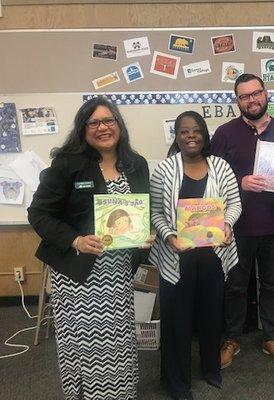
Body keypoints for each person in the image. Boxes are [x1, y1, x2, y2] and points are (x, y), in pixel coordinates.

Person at [27, 96, 150, 399]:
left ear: (118, 124)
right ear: (83, 129)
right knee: (87, 345)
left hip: (118, 274)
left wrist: (144, 235)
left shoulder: (136, 164)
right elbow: (38, 214)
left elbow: (143, 209)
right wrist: (75, 240)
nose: (103, 127)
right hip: (78, 275)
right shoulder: (68, 165)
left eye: (109, 120)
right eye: (93, 122)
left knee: (118, 342)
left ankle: (119, 393)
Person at [211, 73, 274, 368]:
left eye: (256, 93)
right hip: (236, 228)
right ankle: (232, 339)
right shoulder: (225, 134)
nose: (251, 100)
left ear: (266, 94)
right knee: (236, 286)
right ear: (237, 101)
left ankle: (270, 337)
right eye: (244, 96)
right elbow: (212, 179)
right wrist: (241, 182)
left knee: (272, 285)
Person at [149, 111, 242, 400]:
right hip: (176, 259)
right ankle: (176, 382)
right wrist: (169, 236)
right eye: (184, 132)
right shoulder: (164, 170)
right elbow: (154, 213)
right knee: (177, 322)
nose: (191, 136)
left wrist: (227, 225)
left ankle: (211, 369)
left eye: (196, 131)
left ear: (204, 135)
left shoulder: (221, 167)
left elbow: (235, 204)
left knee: (212, 317)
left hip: (214, 257)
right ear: (177, 137)